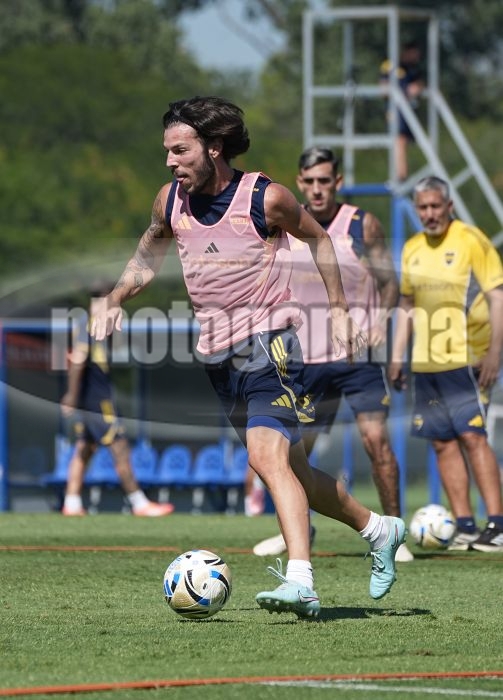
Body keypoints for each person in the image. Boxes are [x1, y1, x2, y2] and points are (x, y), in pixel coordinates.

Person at [90, 96, 406, 618]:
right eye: (167, 151)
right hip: (218, 358)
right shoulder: (170, 201)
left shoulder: (265, 197)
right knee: (295, 471)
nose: (170, 161)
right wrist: (115, 296)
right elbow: (148, 254)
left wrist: (339, 311)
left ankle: (301, 580)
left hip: (269, 342)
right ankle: (379, 529)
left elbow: (319, 239)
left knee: (265, 458)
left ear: (214, 147)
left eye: (180, 150)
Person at [252, 146, 413, 563]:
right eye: (309, 181)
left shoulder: (361, 224)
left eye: (325, 180)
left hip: (356, 359)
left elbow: (390, 283)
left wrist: (379, 322)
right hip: (304, 360)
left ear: (337, 182)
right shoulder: (286, 224)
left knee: (377, 442)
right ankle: (296, 533)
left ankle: (394, 534)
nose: (317, 189)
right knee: (291, 455)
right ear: (299, 182)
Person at [389, 176, 503, 552]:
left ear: (449, 206)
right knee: (441, 442)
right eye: (423, 207)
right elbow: (407, 305)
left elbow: (498, 297)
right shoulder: (412, 248)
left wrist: (495, 353)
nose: (430, 213)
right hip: (426, 364)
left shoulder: (471, 240)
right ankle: (466, 526)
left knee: (472, 437)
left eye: (436, 206)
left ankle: (497, 525)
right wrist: (398, 355)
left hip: (467, 360)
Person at [60, 289, 175, 517]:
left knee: (84, 447)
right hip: (97, 399)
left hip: (89, 399)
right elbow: (78, 361)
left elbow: (116, 348)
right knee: (119, 446)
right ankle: (139, 503)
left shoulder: (94, 325)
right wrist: (71, 396)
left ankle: (71, 503)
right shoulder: (89, 324)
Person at [380, 41, 425, 182]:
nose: (416, 56)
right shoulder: (389, 66)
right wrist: (406, 91)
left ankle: (403, 174)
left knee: (404, 141)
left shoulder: (413, 69)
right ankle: (400, 176)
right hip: (395, 111)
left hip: (408, 113)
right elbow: (384, 89)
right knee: (399, 140)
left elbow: (420, 84)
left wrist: (417, 88)